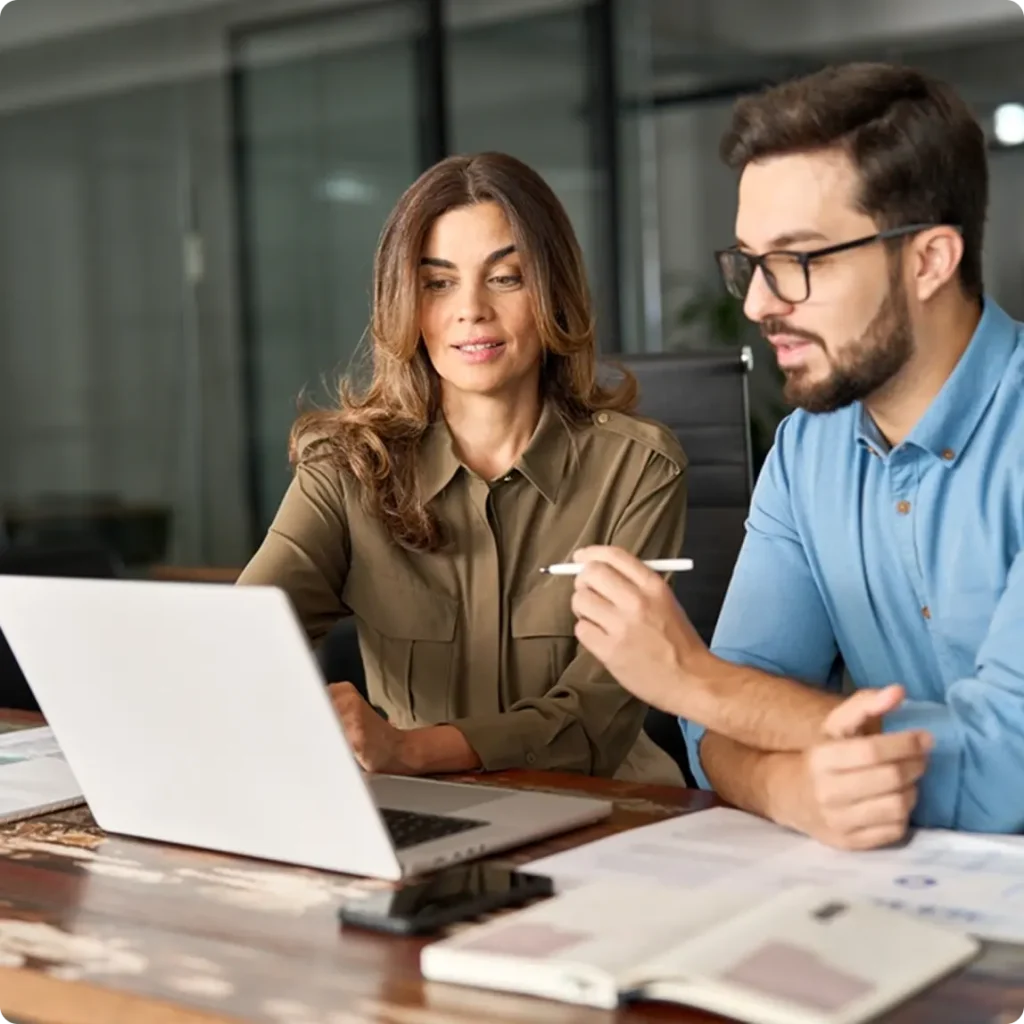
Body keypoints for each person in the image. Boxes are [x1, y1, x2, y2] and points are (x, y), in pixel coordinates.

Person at [567, 62, 1024, 845]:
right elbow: (718, 739)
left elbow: (1006, 768)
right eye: (750, 262)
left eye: (798, 261)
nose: (755, 303)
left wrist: (694, 680)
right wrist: (787, 788)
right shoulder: (808, 449)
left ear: (929, 261)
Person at [237, 151, 687, 785]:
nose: (470, 309)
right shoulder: (344, 469)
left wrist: (409, 751)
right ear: (406, 302)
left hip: (607, 811)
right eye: (438, 282)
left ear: (553, 289)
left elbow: (596, 715)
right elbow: (243, 637)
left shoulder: (636, 468)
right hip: (420, 814)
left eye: (505, 277)